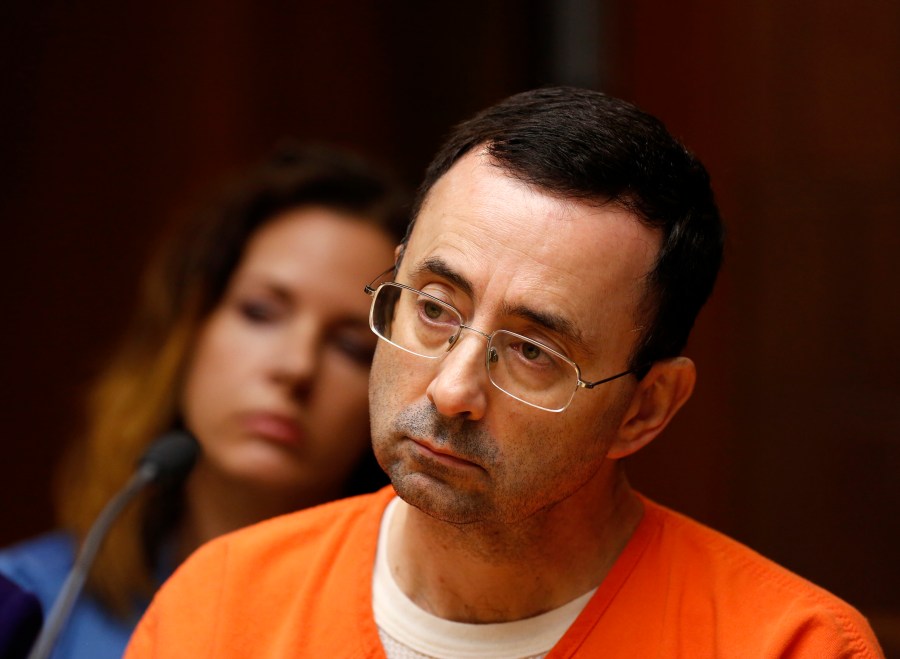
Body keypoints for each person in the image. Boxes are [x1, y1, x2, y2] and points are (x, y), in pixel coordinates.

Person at [125, 88, 884, 658]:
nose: (452, 389)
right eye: (433, 308)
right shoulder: (222, 606)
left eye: (534, 352)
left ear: (645, 410)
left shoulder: (785, 644)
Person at [0, 143, 408, 659]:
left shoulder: (410, 635)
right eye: (261, 312)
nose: (296, 366)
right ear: (189, 329)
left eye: (352, 347)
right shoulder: (24, 607)